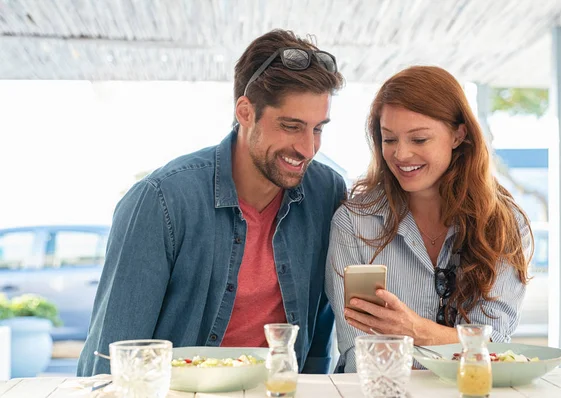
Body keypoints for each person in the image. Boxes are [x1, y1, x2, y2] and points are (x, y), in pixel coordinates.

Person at [78, 29, 346, 376]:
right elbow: (112, 358)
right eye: (291, 126)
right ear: (245, 112)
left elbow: (318, 335)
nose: (308, 149)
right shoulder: (161, 202)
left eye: (318, 128)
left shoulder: (325, 192)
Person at [325, 66, 533, 373]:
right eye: (389, 139)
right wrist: (451, 342)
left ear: (458, 134)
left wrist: (413, 330)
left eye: (419, 139)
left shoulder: (504, 224)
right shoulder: (353, 223)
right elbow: (361, 351)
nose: (401, 154)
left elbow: (494, 348)